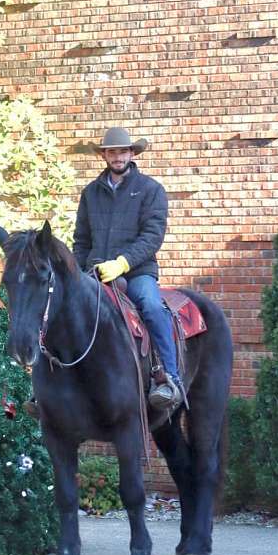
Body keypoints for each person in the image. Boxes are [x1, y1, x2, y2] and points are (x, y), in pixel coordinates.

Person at [72, 127, 183, 411]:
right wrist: (82, 270)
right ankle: (59, 379)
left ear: (132, 153)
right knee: (64, 308)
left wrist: (122, 262)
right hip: (96, 273)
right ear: (104, 156)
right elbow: (81, 239)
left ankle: (169, 378)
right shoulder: (90, 193)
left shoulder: (151, 190)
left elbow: (152, 236)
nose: (118, 156)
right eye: (112, 151)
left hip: (137, 271)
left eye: (123, 151)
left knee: (152, 306)